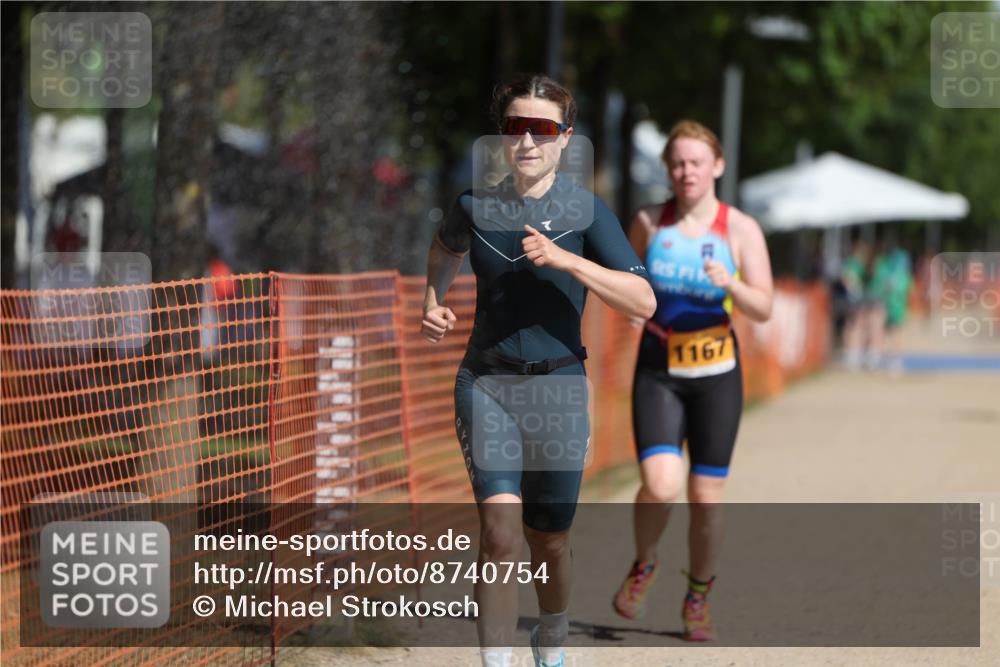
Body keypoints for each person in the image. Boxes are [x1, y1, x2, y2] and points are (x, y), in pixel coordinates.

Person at [421, 74, 655, 667]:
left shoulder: (587, 212)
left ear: (565, 138)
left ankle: (550, 637)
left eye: (542, 129)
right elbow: (445, 248)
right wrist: (433, 300)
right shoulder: (473, 205)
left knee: (548, 539)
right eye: (515, 127)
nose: (527, 140)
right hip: (487, 383)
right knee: (499, 536)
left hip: (559, 388)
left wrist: (569, 261)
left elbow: (643, 300)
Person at [612, 120, 773, 641]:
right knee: (660, 485)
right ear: (668, 169)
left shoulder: (740, 230)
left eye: (696, 162)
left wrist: (733, 285)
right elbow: (625, 284)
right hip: (659, 368)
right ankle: (645, 562)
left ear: (717, 166)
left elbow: (764, 307)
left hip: (717, 373)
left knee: (705, 496)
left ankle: (698, 595)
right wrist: (630, 309)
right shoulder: (648, 223)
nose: (687, 172)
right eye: (678, 163)